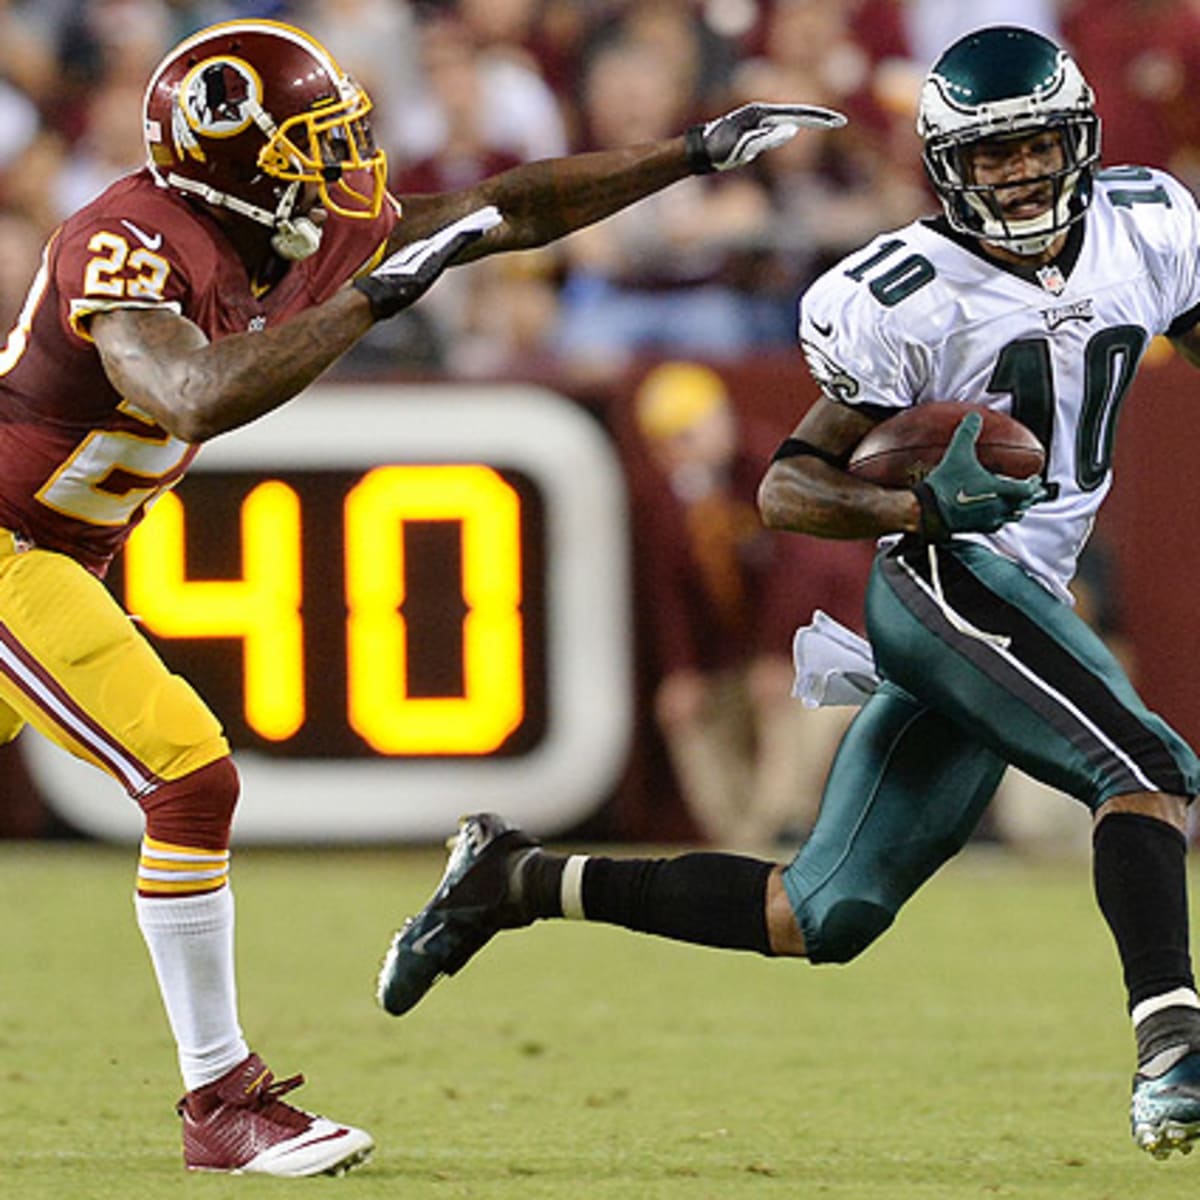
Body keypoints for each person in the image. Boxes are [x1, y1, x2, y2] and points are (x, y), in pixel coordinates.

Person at [0, 15, 844, 1177]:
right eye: (309, 146)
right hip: (8, 548)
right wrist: (369, 302)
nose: (341, 169)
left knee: (181, 774)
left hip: (61, 552)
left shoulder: (306, 230)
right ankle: (221, 1102)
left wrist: (688, 152)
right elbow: (190, 395)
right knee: (187, 773)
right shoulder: (127, 237)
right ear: (227, 156)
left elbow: (512, 212)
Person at [377, 25, 1200, 1161]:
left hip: (1030, 593)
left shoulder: (1152, 224)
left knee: (822, 913)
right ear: (945, 168)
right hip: (939, 583)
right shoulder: (903, 292)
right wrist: (918, 511)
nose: (1015, 173)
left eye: (1034, 146)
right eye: (990, 155)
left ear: (1081, 139)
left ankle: (512, 880)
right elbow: (789, 487)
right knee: (1146, 765)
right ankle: (1174, 1053)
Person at [628, 361, 868, 848]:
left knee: (794, 704)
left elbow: (806, 571)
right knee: (689, 711)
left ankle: (778, 832)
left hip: (830, 639)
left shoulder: (776, 472)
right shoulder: (673, 499)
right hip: (743, 655)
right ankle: (738, 842)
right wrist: (682, 669)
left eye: (687, 435)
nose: (678, 452)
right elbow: (669, 592)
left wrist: (781, 652)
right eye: (667, 441)